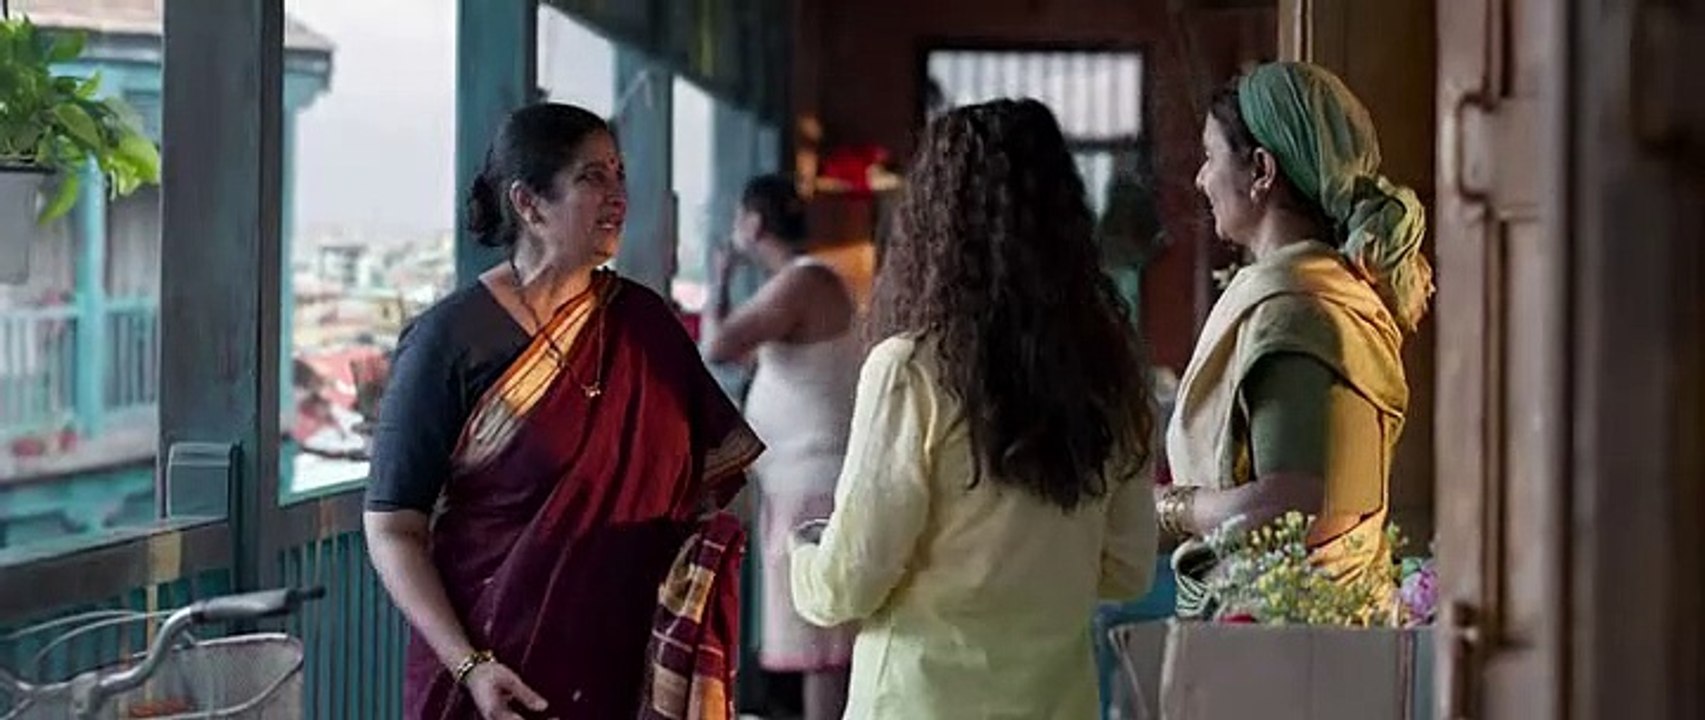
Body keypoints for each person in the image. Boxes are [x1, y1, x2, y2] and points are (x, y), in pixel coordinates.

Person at [362, 103, 763, 720]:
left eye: (619, 174)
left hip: (623, 664)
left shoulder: (645, 327)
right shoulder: (450, 339)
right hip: (492, 674)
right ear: (528, 203)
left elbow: (721, 482)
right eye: (591, 177)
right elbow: (392, 528)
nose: (618, 196)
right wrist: (470, 665)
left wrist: (697, 573)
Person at [788, 98, 1159, 719]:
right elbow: (1128, 570)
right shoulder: (1111, 378)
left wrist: (803, 554)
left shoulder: (910, 371)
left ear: (935, 225)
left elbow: (848, 583)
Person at [1155, 62, 1432, 615]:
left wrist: (1169, 507)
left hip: (1289, 637)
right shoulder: (1314, 293)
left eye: (1210, 157)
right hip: (1301, 624)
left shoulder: (1299, 311)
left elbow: (1293, 505)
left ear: (1261, 170)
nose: (1201, 179)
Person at [703, 174, 859, 720]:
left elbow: (718, 344)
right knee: (824, 647)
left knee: (821, 649)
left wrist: (720, 277)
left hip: (811, 487)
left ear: (753, 223)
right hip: (808, 484)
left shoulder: (802, 282)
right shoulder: (810, 282)